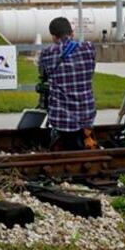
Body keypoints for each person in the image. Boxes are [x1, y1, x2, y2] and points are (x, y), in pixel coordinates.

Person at [36, 16, 98, 151]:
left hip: (61, 117)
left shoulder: (47, 53)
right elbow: (91, 70)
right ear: (72, 32)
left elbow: (43, 74)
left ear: (53, 36)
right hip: (87, 113)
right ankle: (86, 139)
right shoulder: (88, 48)